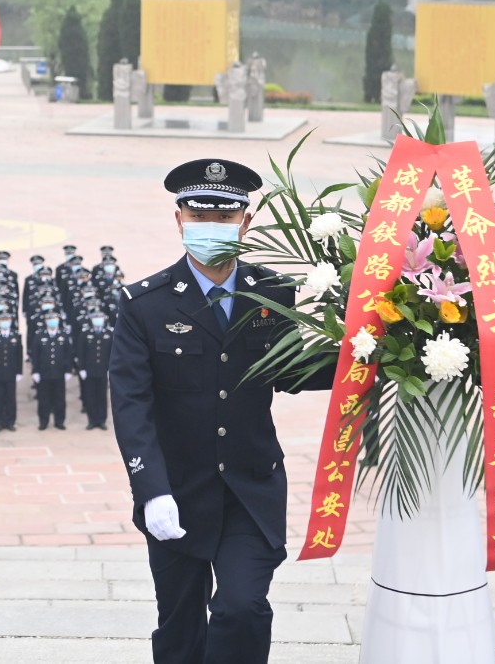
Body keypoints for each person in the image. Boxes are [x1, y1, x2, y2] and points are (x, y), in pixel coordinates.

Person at [110, 157, 330, 664]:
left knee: (242, 608)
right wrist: (151, 490)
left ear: (245, 222)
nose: (212, 227)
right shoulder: (146, 304)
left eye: (225, 217)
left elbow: (293, 372)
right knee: (180, 628)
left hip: (250, 489)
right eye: (200, 217)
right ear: (180, 220)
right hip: (178, 489)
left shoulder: (271, 293)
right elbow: (131, 405)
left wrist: (368, 351)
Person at [30, 311, 73, 431]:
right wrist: (35, 371)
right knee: (44, 399)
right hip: (44, 374)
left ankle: (59, 421)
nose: (52, 321)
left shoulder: (64, 336)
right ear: (45, 322)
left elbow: (68, 354)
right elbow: (35, 355)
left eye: (54, 319)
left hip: (59, 373)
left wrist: (68, 370)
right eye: (49, 319)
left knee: (60, 399)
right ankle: (43, 421)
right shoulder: (39, 336)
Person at [78, 306, 113, 429]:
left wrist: (111, 370)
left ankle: (102, 420)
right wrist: (81, 368)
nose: (98, 320)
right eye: (95, 318)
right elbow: (81, 352)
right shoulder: (85, 333)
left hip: (103, 371)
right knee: (90, 396)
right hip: (89, 370)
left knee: (102, 396)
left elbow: (112, 354)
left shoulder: (109, 333)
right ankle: (92, 420)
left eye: (100, 317)